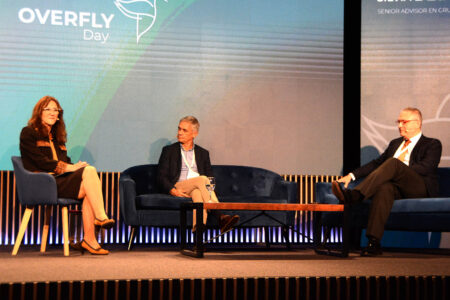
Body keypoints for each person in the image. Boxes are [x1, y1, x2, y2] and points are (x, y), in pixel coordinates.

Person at [332, 107, 442, 256]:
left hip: (419, 187)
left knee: (393, 163)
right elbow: (376, 164)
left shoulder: (432, 144)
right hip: (396, 188)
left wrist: (399, 170)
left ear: (417, 124)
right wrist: (351, 176)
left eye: (404, 122)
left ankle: (355, 195)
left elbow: (426, 168)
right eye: (398, 122)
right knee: (385, 188)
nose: (399, 126)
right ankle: (373, 242)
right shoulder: (395, 143)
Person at [20, 96, 115, 255]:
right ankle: (100, 217)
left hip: (58, 182)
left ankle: (90, 240)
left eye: (55, 110)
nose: (52, 113)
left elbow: (65, 161)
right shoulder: (28, 132)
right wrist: (69, 168)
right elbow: (40, 161)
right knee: (89, 174)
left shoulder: (57, 138)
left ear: (59, 115)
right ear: (39, 112)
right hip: (41, 183)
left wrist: (76, 167)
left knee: (88, 177)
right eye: (47, 109)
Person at [157, 116, 239, 232]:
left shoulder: (203, 153)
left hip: (198, 187)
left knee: (198, 195)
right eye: (179, 129)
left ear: (194, 134)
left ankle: (198, 235)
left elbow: (210, 178)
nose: (180, 133)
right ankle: (220, 215)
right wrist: (173, 190)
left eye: (184, 130)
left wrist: (205, 186)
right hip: (180, 186)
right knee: (202, 179)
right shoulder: (169, 151)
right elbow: (161, 177)